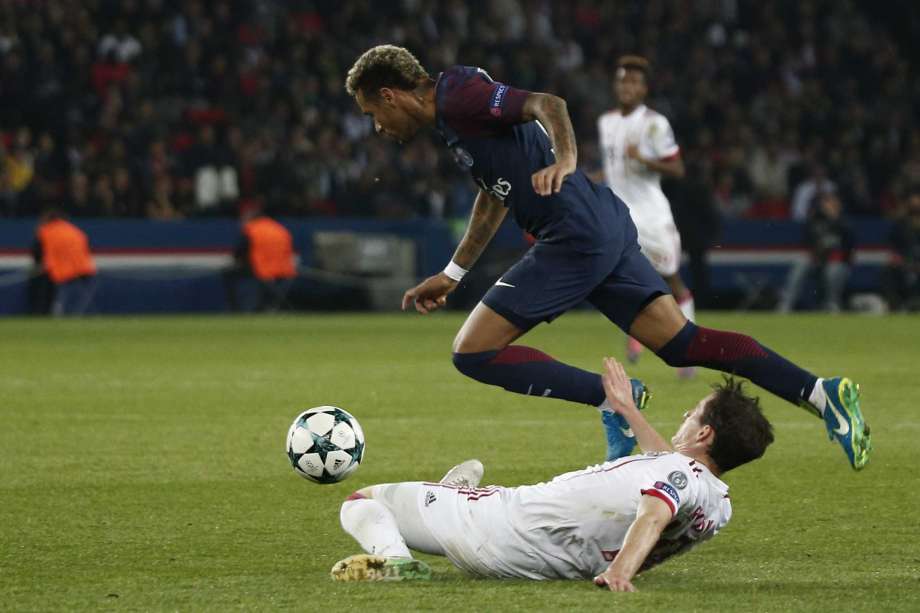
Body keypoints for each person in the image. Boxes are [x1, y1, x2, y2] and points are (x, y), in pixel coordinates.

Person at [344, 45, 869, 470]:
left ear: (390, 95)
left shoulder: (459, 96)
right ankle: (821, 394)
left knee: (473, 351)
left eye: (373, 114)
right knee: (684, 343)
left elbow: (550, 104)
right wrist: (454, 272)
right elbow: (495, 192)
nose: (377, 127)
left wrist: (566, 162)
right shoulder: (453, 117)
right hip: (601, 224)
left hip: (574, 235)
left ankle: (611, 399)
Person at [330, 358, 773, 589]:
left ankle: (396, 560)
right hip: (542, 562)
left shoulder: (676, 479)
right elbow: (671, 470)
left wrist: (620, 572)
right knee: (454, 502)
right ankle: (450, 497)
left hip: (504, 524)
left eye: (692, 414)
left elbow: (654, 512)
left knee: (363, 502)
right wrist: (628, 410)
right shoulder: (717, 504)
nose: (683, 415)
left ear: (705, 434)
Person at [595, 56, 694, 376]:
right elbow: (612, 172)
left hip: (652, 216)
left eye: (634, 82)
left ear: (644, 89)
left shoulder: (655, 123)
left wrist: (643, 159)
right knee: (621, 277)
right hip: (621, 217)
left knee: (672, 280)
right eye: (623, 80)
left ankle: (692, 348)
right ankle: (637, 336)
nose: (628, 87)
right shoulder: (606, 122)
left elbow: (677, 168)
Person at [777, 192, 855, 313]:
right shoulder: (815, 220)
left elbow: (849, 246)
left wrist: (834, 219)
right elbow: (807, 242)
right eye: (827, 203)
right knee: (801, 264)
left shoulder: (845, 222)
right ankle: (786, 304)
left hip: (838, 262)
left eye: (833, 203)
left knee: (833, 270)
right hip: (818, 260)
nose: (830, 206)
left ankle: (832, 303)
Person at [224, 204, 296, 312]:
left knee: (228, 275)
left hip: (263, 270)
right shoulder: (279, 228)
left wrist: (238, 260)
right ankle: (267, 306)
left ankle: (236, 309)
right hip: (285, 271)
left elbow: (240, 252)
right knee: (270, 288)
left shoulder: (252, 229)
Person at [32, 209, 97, 316]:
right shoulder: (73, 230)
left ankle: (59, 314)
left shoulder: (46, 231)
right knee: (83, 296)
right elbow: (87, 248)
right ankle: (80, 314)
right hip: (83, 268)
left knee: (62, 295)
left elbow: (37, 251)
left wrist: (40, 264)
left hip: (62, 270)